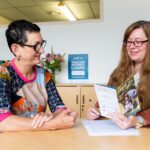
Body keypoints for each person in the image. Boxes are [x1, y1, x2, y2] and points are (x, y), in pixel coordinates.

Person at [0, 19, 77, 132]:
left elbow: (59, 108)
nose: (42, 50)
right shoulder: (3, 74)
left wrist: (52, 116)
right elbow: (2, 122)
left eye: (41, 44)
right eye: (36, 46)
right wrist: (51, 124)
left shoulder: (44, 75)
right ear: (16, 49)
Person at [87, 20, 150, 129]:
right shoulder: (118, 72)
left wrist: (137, 120)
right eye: (128, 42)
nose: (131, 46)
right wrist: (96, 112)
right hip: (119, 134)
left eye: (138, 41)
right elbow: (105, 103)